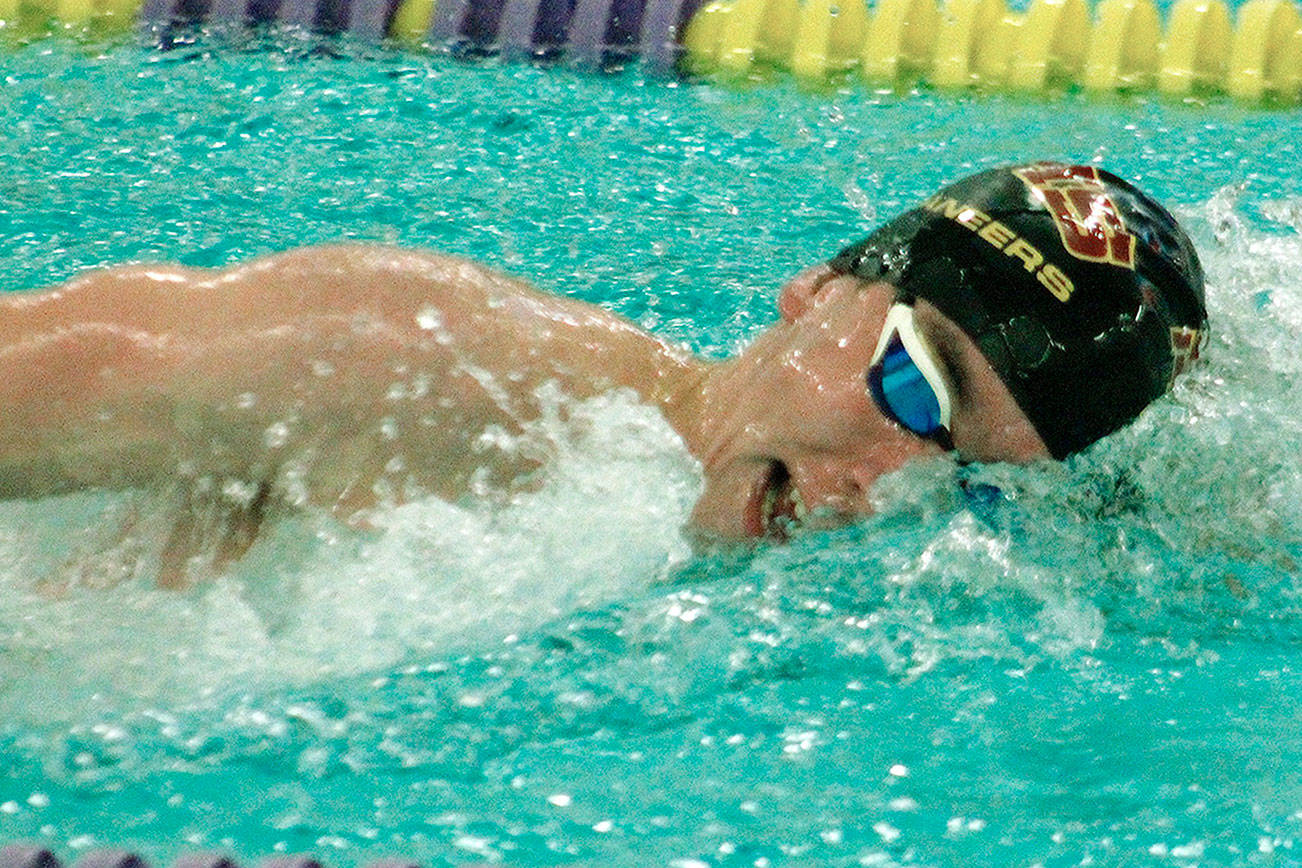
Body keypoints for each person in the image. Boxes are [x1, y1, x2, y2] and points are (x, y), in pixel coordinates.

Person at [0, 161, 1207, 582]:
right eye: (913, 385)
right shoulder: (410, 365)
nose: (884, 483)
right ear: (820, 288)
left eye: (966, 474)